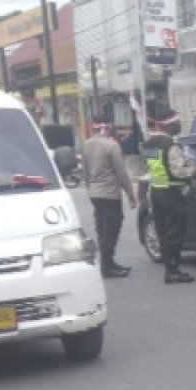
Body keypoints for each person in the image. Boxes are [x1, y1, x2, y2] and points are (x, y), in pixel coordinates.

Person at [145, 112, 196, 284]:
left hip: (156, 191)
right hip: (171, 193)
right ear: (168, 125)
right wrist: (194, 170)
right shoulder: (170, 144)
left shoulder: (149, 143)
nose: (178, 125)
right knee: (175, 233)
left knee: (163, 233)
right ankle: (173, 271)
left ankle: (169, 269)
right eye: (176, 123)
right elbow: (177, 171)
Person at [83, 118, 137, 278]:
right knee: (111, 229)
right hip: (110, 194)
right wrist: (130, 194)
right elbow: (121, 173)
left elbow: (84, 171)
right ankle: (107, 265)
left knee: (101, 227)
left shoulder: (86, 145)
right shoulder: (111, 146)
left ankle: (108, 262)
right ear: (107, 128)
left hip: (94, 193)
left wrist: (90, 187)